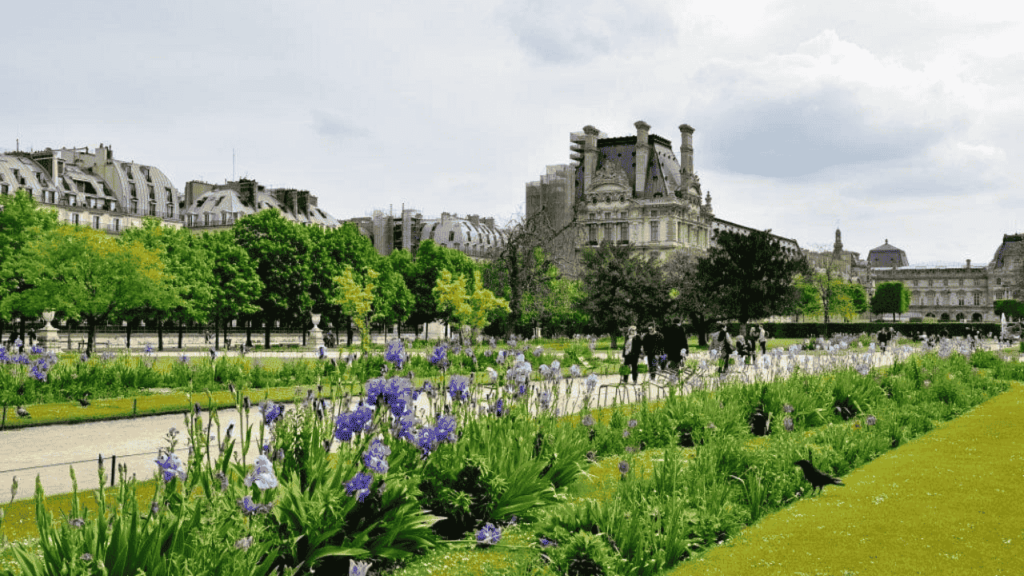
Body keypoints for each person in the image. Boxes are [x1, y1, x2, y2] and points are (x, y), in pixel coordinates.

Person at [662, 317, 689, 382]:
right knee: (678, 365)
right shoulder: (681, 329)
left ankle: (672, 379)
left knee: (672, 365)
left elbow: (665, 341)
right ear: (679, 323)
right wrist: (686, 350)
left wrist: (665, 351)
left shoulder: (668, 329)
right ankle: (676, 379)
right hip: (679, 351)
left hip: (670, 351)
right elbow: (684, 341)